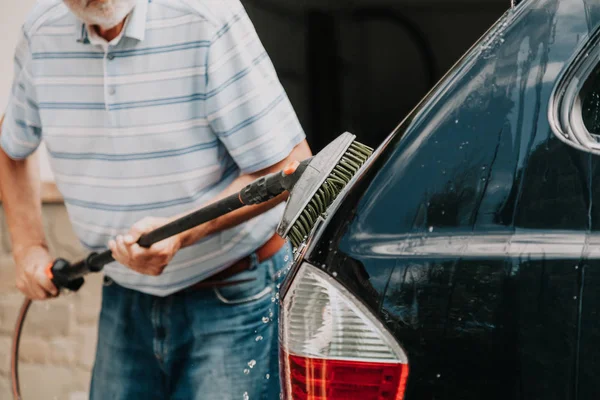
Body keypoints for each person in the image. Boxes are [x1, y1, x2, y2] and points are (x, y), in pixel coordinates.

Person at [0, 0, 311, 398]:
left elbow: (290, 166)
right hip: (123, 295)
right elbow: (12, 147)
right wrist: (28, 248)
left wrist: (183, 232)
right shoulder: (41, 32)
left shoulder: (207, 18)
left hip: (233, 293)